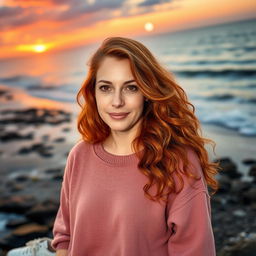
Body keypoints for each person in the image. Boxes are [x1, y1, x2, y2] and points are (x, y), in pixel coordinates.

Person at [8, 36, 219, 256]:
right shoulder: (79, 155)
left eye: (131, 88)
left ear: (147, 93)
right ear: (94, 93)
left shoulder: (178, 162)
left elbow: (195, 250)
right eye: (106, 88)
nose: (117, 101)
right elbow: (65, 237)